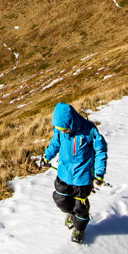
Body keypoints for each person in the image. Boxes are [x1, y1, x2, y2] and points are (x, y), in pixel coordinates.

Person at [42, 101, 107, 243]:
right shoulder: (60, 131)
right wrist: (47, 157)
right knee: (61, 199)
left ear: (71, 123)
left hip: (82, 178)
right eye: (60, 129)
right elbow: (55, 143)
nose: (62, 131)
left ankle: (79, 228)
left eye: (65, 129)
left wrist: (99, 174)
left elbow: (100, 151)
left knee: (81, 207)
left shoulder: (90, 130)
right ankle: (71, 214)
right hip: (64, 174)